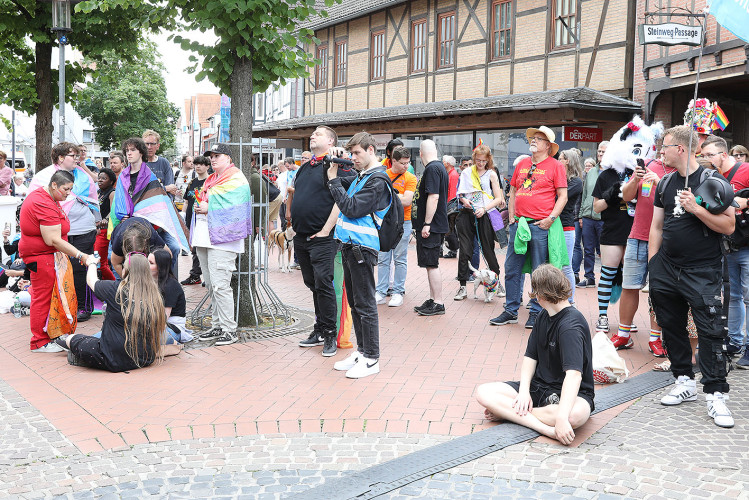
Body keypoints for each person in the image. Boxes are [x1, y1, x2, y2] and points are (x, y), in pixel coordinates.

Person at [649, 125, 735, 428]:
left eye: (666, 146)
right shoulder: (665, 183)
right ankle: (683, 379)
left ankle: (715, 393)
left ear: (681, 149)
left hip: (702, 270)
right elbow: (656, 226)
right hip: (666, 269)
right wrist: (653, 265)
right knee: (670, 326)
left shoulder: (713, 181)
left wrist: (695, 208)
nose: (662, 151)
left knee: (710, 331)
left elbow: (728, 226)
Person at [476, 264, 594, 445]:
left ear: (541, 295)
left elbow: (574, 375)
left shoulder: (570, 325)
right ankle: (545, 428)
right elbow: (530, 357)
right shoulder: (544, 315)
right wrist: (523, 392)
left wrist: (561, 418)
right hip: (538, 388)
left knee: (573, 416)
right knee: (484, 392)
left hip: (573, 394)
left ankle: (509, 412)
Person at [327, 132, 391, 378]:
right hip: (351, 246)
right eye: (351, 153)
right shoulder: (363, 176)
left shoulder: (377, 180)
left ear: (371, 150)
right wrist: (337, 167)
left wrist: (333, 180)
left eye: (357, 153)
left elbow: (351, 208)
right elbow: (348, 193)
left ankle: (372, 358)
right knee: (355, 303)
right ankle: (363, 352)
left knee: (365, 304)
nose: (353, 158)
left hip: (362, 248)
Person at [490, 126, 567, 328]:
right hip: (520, 225)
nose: (533, 140)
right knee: (512, 268)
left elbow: (563, 196)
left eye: (538, 139)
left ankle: (536, 311)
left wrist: (551, 218)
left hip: (541, 226)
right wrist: (513, 217)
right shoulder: (523, 163)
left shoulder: (555, 166)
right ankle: (511, 310)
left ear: (547, 146)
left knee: (538, 270)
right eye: (533, 138)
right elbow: (513, 192)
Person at [293, 126, 356, 356]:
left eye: (318, 134)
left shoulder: (337, 164)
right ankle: (319, 329)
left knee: (324, 284)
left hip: (323, 237)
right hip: (301, 237)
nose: (312, 135)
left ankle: (330, 332)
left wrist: (343, 160)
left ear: (330, 141)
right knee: (313, 285)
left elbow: (349, 190)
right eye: (312, 133)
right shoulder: (305, 168)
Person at [20, 169, 91, 353]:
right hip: (41, 257)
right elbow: (53, 239)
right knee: (42, 298)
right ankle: (39, 342)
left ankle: (50, 336)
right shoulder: (42, 202)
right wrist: (81, 255)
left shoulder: (49, 197)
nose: (69, 194)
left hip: (47, 256)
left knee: (50, 297)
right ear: (54, 185)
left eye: (70, 189)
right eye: (66, 189)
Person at [28, 142, 100, 323]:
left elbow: (92, 199)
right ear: (60, 158)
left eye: (77, 155)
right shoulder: (43, 177)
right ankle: (64, 307)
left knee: (79, 269)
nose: (77, 159)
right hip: (56, 233)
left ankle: (83, 306)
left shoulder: (83, 176)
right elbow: (37, 203)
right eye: (72, 156)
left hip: (83, 230)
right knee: (60, 270)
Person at [59, 252, 165, 372]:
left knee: (71, 338)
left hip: (112, 359)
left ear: (126, 270)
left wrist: (92, 263)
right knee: (94, 340)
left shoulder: (115, 289)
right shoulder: (155, 295)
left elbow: (91, 280)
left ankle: (79, 354)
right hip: (145, 358)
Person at [614, 145, 672, 355]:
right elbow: (627, 197)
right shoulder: (647, 165)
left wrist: (660, 182)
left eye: (669, 146)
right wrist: (635, 180)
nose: (664, 151)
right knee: (629, 286)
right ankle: (623, 334)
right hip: (637, 236)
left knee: (658, 290)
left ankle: (655, 338)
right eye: (663, 146)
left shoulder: (679, 172)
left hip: (665, 240)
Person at [193, 143, 253, 346]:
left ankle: (229, 329)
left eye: (218, 155)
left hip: (224, 240)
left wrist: (208, 206)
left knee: (220, 285)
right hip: (206, 236)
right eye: (211, 156)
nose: (213, 159)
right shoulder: (212, 179)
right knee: (211, 285)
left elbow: (236, 206)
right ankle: (218, 325)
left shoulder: (236, 177)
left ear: (228, 158)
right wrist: (201, 205)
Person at [701, 135, 749, 368]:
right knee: (734, 296)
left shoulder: (745, 170)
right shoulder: (713, 176)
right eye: (705, 155)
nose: (707, 159)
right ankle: (735, 341)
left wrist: (744, 201)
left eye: (710, 155)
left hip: (747, 243)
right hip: (728, 243)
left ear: (724, 153)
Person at [110, 137, 186, 275]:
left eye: (133, 150)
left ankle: (168, 282)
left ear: (141, 153)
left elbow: (158, 200)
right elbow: (119, 201)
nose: (129, 153)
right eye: (127, 150)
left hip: (153, 224)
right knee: (119, 255)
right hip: (130, 223)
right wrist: (123, 214)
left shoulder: (149, 176)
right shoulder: (123, 176)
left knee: (173, 248)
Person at [591, 142, 634, 334]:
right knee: (608, 275)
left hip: (635, 231)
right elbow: (596, 207)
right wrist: (610, 197)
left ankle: (627, 319)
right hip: (612, 230)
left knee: (630, 279)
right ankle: (602, 316)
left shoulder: (636, 173)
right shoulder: (605, 176)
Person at [453, 144, 505, 301]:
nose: (480, 163)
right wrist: (464, 200)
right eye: (478, 160)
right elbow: (460, 193)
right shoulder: (467, 172)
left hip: (484, 214)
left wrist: (484, 208)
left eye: (483, 161)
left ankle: (496, 282)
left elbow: (498, 198)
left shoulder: (491, 174)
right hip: (466, 213)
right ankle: (462, 286)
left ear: (488, 160)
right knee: (465, 250)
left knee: (488, 250)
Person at [375, 146, 416, 307]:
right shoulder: (382, 175)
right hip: (385, 222)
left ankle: (398, 291)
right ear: (393, 161)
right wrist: (398, 195)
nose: (406, 166)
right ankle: (381, 291)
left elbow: (407, 201)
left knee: (400, 258)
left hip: (403, 221)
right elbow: (377, 198)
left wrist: (388, 195)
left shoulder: (411, 178)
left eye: (408, 162)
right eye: (402, 163)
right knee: (383, 258)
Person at [412, 140, 449, 316]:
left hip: (432, 226)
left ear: (420, 153)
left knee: (432, 264)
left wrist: (427, 223)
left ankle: (438, 302)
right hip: (432, 225)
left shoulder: (433, 169)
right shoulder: (437, 168)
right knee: (429, 264)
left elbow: (433, 197)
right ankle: (434, 299)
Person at [576, 142, 606, 288]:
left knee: (605, 251)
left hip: (604, 219)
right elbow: (585, 195)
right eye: (599, 151)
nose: (600, 154)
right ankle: (589, 278)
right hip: (588, 217)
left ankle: (607, 279)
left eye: (603, 152)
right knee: (588, 250)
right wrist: (581, 215)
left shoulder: (613, 172)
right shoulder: (591, 172)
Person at [558, 149, 584, 303]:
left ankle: (570, 300)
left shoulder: (576, 181)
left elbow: (560, 197)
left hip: (566, 227)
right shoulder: (558, 178)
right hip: (553, 226)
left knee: (566, 266)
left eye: (560, 158)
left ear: (567, 161)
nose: (557, 161)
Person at [181, 155, 210, 285]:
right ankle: (196, 275)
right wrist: (183, 216)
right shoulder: (192, 182)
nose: (198, 166)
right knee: (194, 248)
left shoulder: (210, 182)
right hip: (191, 219)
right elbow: (187, 201)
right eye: (196, 164)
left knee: (205, 248)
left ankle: (206, 276)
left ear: (207, 166)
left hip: (205, 220)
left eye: (201, 164)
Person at [149, 248, 189, 343]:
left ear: (160, 266)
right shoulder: (151, 281)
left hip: (170, 326)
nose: (146, 265)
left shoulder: (170, 285)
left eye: (151, 263)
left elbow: (163, 318)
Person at [94, 168, 117, 281]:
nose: (100, 180)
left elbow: (113, 211)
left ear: (111, 181)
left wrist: (106, 219)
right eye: (99, 178)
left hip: (104, 231)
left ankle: (114, 286)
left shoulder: (112, 193)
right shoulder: (97, 193)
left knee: (101, 263)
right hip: (94, 229)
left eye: (104, 178)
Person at [142, 130, 177, 196]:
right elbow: (140, 191)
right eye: (146, 144)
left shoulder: (164, 163)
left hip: (163, 203)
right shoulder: (137, 164)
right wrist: (166, 188)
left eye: (152, 144)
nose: (149, 147)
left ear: (158, 146)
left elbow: (171, 189)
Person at [442, 154, 460, 258]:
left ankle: (453, 249)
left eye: (443, 161)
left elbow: (453, 193)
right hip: (449, 206)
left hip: (451, 207)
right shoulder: (451, 174)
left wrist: (448, 207)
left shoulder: (453, 175)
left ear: (447, 164)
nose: (442, 163)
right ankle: (452, 249)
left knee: (450, 229)